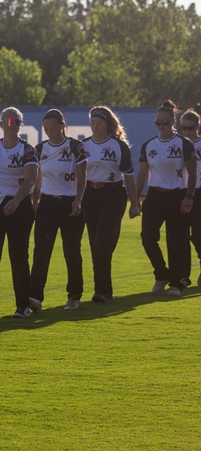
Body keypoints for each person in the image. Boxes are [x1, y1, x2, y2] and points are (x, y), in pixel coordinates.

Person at [0, 107, 39, 318]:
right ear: (0, 124)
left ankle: (22, 306)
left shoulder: (27, 150)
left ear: (19, 124)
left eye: (15, 121)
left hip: (19, 205)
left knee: (18, 256)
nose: (11, 125)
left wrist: (16, 200)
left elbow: (31, 178)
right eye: (7, 121)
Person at [135, 100, 196, 296]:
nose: (161, 126)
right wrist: (135, 198)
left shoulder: (184, 144)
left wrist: (189, 196)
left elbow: (193, 173)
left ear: (173, 121)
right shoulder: (149, 145)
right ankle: (161, 273)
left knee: (176, 240)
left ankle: (177, 282)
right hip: (154, 196)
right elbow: (143, 174)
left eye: (165, 122)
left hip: (178, 196)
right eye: (158, 122)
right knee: (147, 238)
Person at [29, 109, 87, 310]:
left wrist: (78, 200)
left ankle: (74, 295)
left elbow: (82, 177)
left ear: (62, 126)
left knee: (71, 251)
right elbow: (37, 181)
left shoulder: (74, 147)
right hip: (47, 205)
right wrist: (35, 204)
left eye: (53, 128)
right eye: (46, 129)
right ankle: (35, 297)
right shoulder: (39, 149)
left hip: (70, 204)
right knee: (41, 251)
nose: (50, 132)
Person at [82, 106, 139, 303]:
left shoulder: (118, 145)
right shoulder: (84, 145)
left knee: (101, 243)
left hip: (113, 195)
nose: (95, 127)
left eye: (99, 123)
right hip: (90, 195)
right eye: (92, 123)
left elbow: (129, 176)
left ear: (108, 124)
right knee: (95, 244)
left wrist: (135, 203)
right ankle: (103, 290)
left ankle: (102, 291)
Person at [183, 109, 201, 281]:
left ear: (198, 126)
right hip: (183, 191)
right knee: (181, 235)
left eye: (190, 128)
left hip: (199, 191)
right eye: (184, 128)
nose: (187, 132)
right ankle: (183, 275)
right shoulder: (179, 144)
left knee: (197, 234)